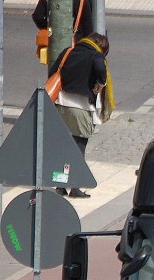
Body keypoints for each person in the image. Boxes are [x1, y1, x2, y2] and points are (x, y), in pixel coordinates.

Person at [49, 32, 114, 199]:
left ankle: (60, 185)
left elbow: (52, 71)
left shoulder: (68, 52)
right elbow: (101, 69)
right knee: (79, 148)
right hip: (80, 107)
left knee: (63, 148)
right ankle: (75, 187)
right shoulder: (95, 56)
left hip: (61, 104)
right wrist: (100, 84)